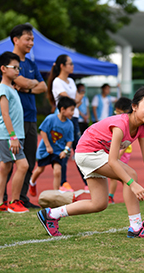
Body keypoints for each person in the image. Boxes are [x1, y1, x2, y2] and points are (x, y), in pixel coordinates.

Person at [37, 87, 144, 238]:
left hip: (93, 154)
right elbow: (113, 161)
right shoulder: (121, 124)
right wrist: (132, 184)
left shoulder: (142, 128)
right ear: (134, 106)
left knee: (99, 204)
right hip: (88, 153)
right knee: (130, 174)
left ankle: (51, 214)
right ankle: (136, 227)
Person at [0, 24, 47, 209]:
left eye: (32, 39)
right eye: (28, 39)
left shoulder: (31, 64)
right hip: (15, 120)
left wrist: (27, 86)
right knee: (8, 161)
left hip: (30, 117)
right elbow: (22, 81)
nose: (31, 42)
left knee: (29, 160)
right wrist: (30, 84)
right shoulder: (10, 62)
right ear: (16, 40)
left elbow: (43, 87)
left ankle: (21, 198)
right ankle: (1, 199)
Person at [0, 52, 29, 214]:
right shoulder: (3, 89)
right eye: (14, 68)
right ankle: (14, 202)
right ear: (3, 69)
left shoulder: (10, 88)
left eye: (19, 68)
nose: (18, 71)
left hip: (14, 135)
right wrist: (13, 137)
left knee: (5, 167)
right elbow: (5, 114)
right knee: (23, 165)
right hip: (9, 136)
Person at [47, 54, 84, 192]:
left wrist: (76, 101)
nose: (72, 66)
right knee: (64, 151)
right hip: (63, 120)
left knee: (80, 149)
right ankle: (63, 182)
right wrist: (77, 100)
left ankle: (86, 181)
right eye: (70, 63)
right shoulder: (57, 82)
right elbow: (70, 101)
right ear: (62, 66)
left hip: (73, 118)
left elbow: (74, 104)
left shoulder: (71, 81)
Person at [29, 97, 75, 196]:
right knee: (40, 169)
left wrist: (65, 151)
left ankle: (56, 193)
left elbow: (69, 140)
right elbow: (43, 131)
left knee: (57, 171)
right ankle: (32, 182)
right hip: (46, 150)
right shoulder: (51, 118)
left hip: (58, 152)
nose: (73, 113)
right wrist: (47, 146)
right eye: (71, 110)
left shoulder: (70, 124)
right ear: (62, 109)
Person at [108, 97, 133, 204]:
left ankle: (111, 197)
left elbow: (127, 142)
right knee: (120, 176)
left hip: (123, 152)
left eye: (119, 111)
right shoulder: (118, 121)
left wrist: (119, 154)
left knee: (120, 176)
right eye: (116, 111)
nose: (116, 113)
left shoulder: (127, 123)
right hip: (117, 151)